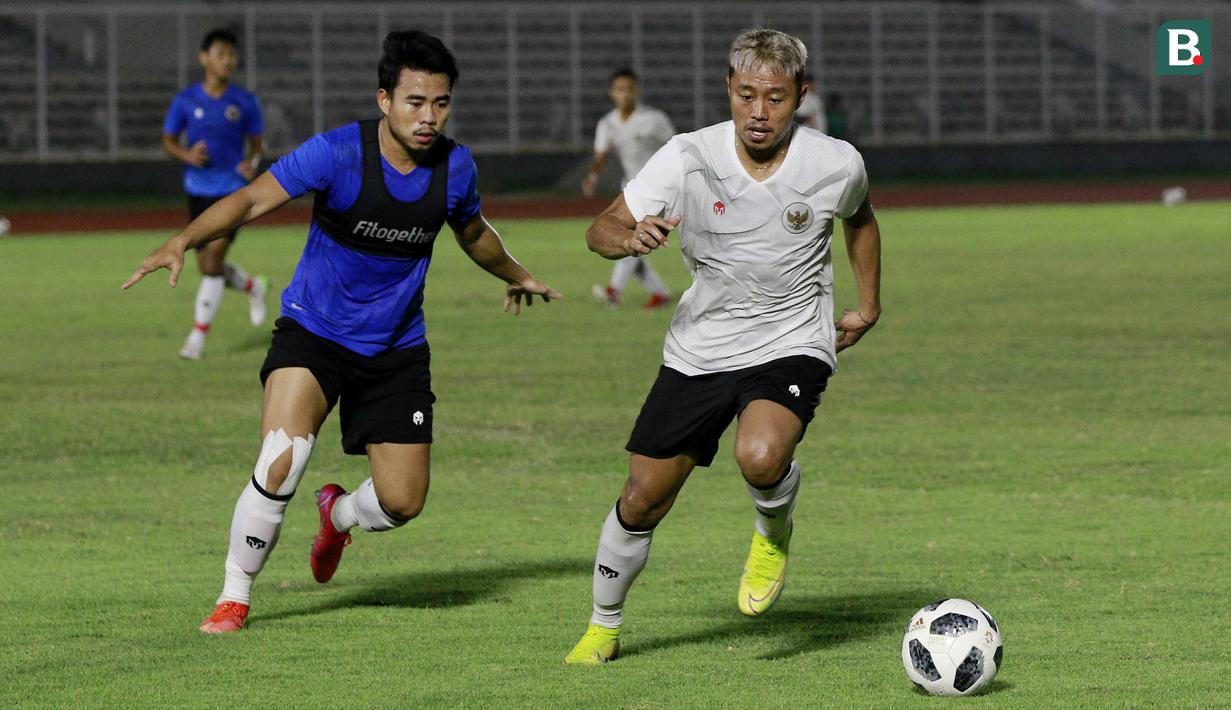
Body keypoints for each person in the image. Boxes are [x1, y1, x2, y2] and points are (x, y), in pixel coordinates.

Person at [125, 30, 561, 634]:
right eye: (415, 102)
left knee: (402, 501)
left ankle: (337, 517)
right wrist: (183, 239)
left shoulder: (455, 167)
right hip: (314, 333)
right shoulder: (336, 153)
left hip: (395, 349)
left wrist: (516, 273)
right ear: (384, 99)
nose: (429, 117)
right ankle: (233, 596)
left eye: (440, 103)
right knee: (283, 458)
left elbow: (472, 232)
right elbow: (251, 200)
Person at [564, 29, 882, 664]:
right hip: (700, 347)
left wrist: (868, 303)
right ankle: (602, 626)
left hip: (792, 335)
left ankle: (772, 531)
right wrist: (627, 240)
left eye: (775, 98)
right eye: (745, 95)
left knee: (760, 455)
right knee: (642, 497)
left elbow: (861, 218)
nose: (758, 112)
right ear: (728, 89)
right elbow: (602, 228)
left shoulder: (835, 162)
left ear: (800, 96)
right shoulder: (688, 156)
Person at [162, 28, 269, 360]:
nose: (228, 60)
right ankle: (253, 286)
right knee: (208, 264)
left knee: (212, 260)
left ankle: (197, 337)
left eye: (232, 54)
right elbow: (168, 141)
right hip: (198, 189)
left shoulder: (245, 101)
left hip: (232, 191)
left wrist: (252, 164)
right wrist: (187, 154)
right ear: (204, 58)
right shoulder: (186, 100)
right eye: (221, 53)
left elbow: (257, 145)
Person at [582, 69, 674, 310]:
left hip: (659, 190)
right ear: (612, 93)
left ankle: (613, 291)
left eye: (630, 89)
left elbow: (675, 147)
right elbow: (601, 154)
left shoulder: (654, 119)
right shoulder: (608, 123)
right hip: (631, 190)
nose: (625, 94)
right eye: (620, 89)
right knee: (632, 241)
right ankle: (660, 293)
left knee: (631, 239)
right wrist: (592, 176)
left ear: (638, 91)